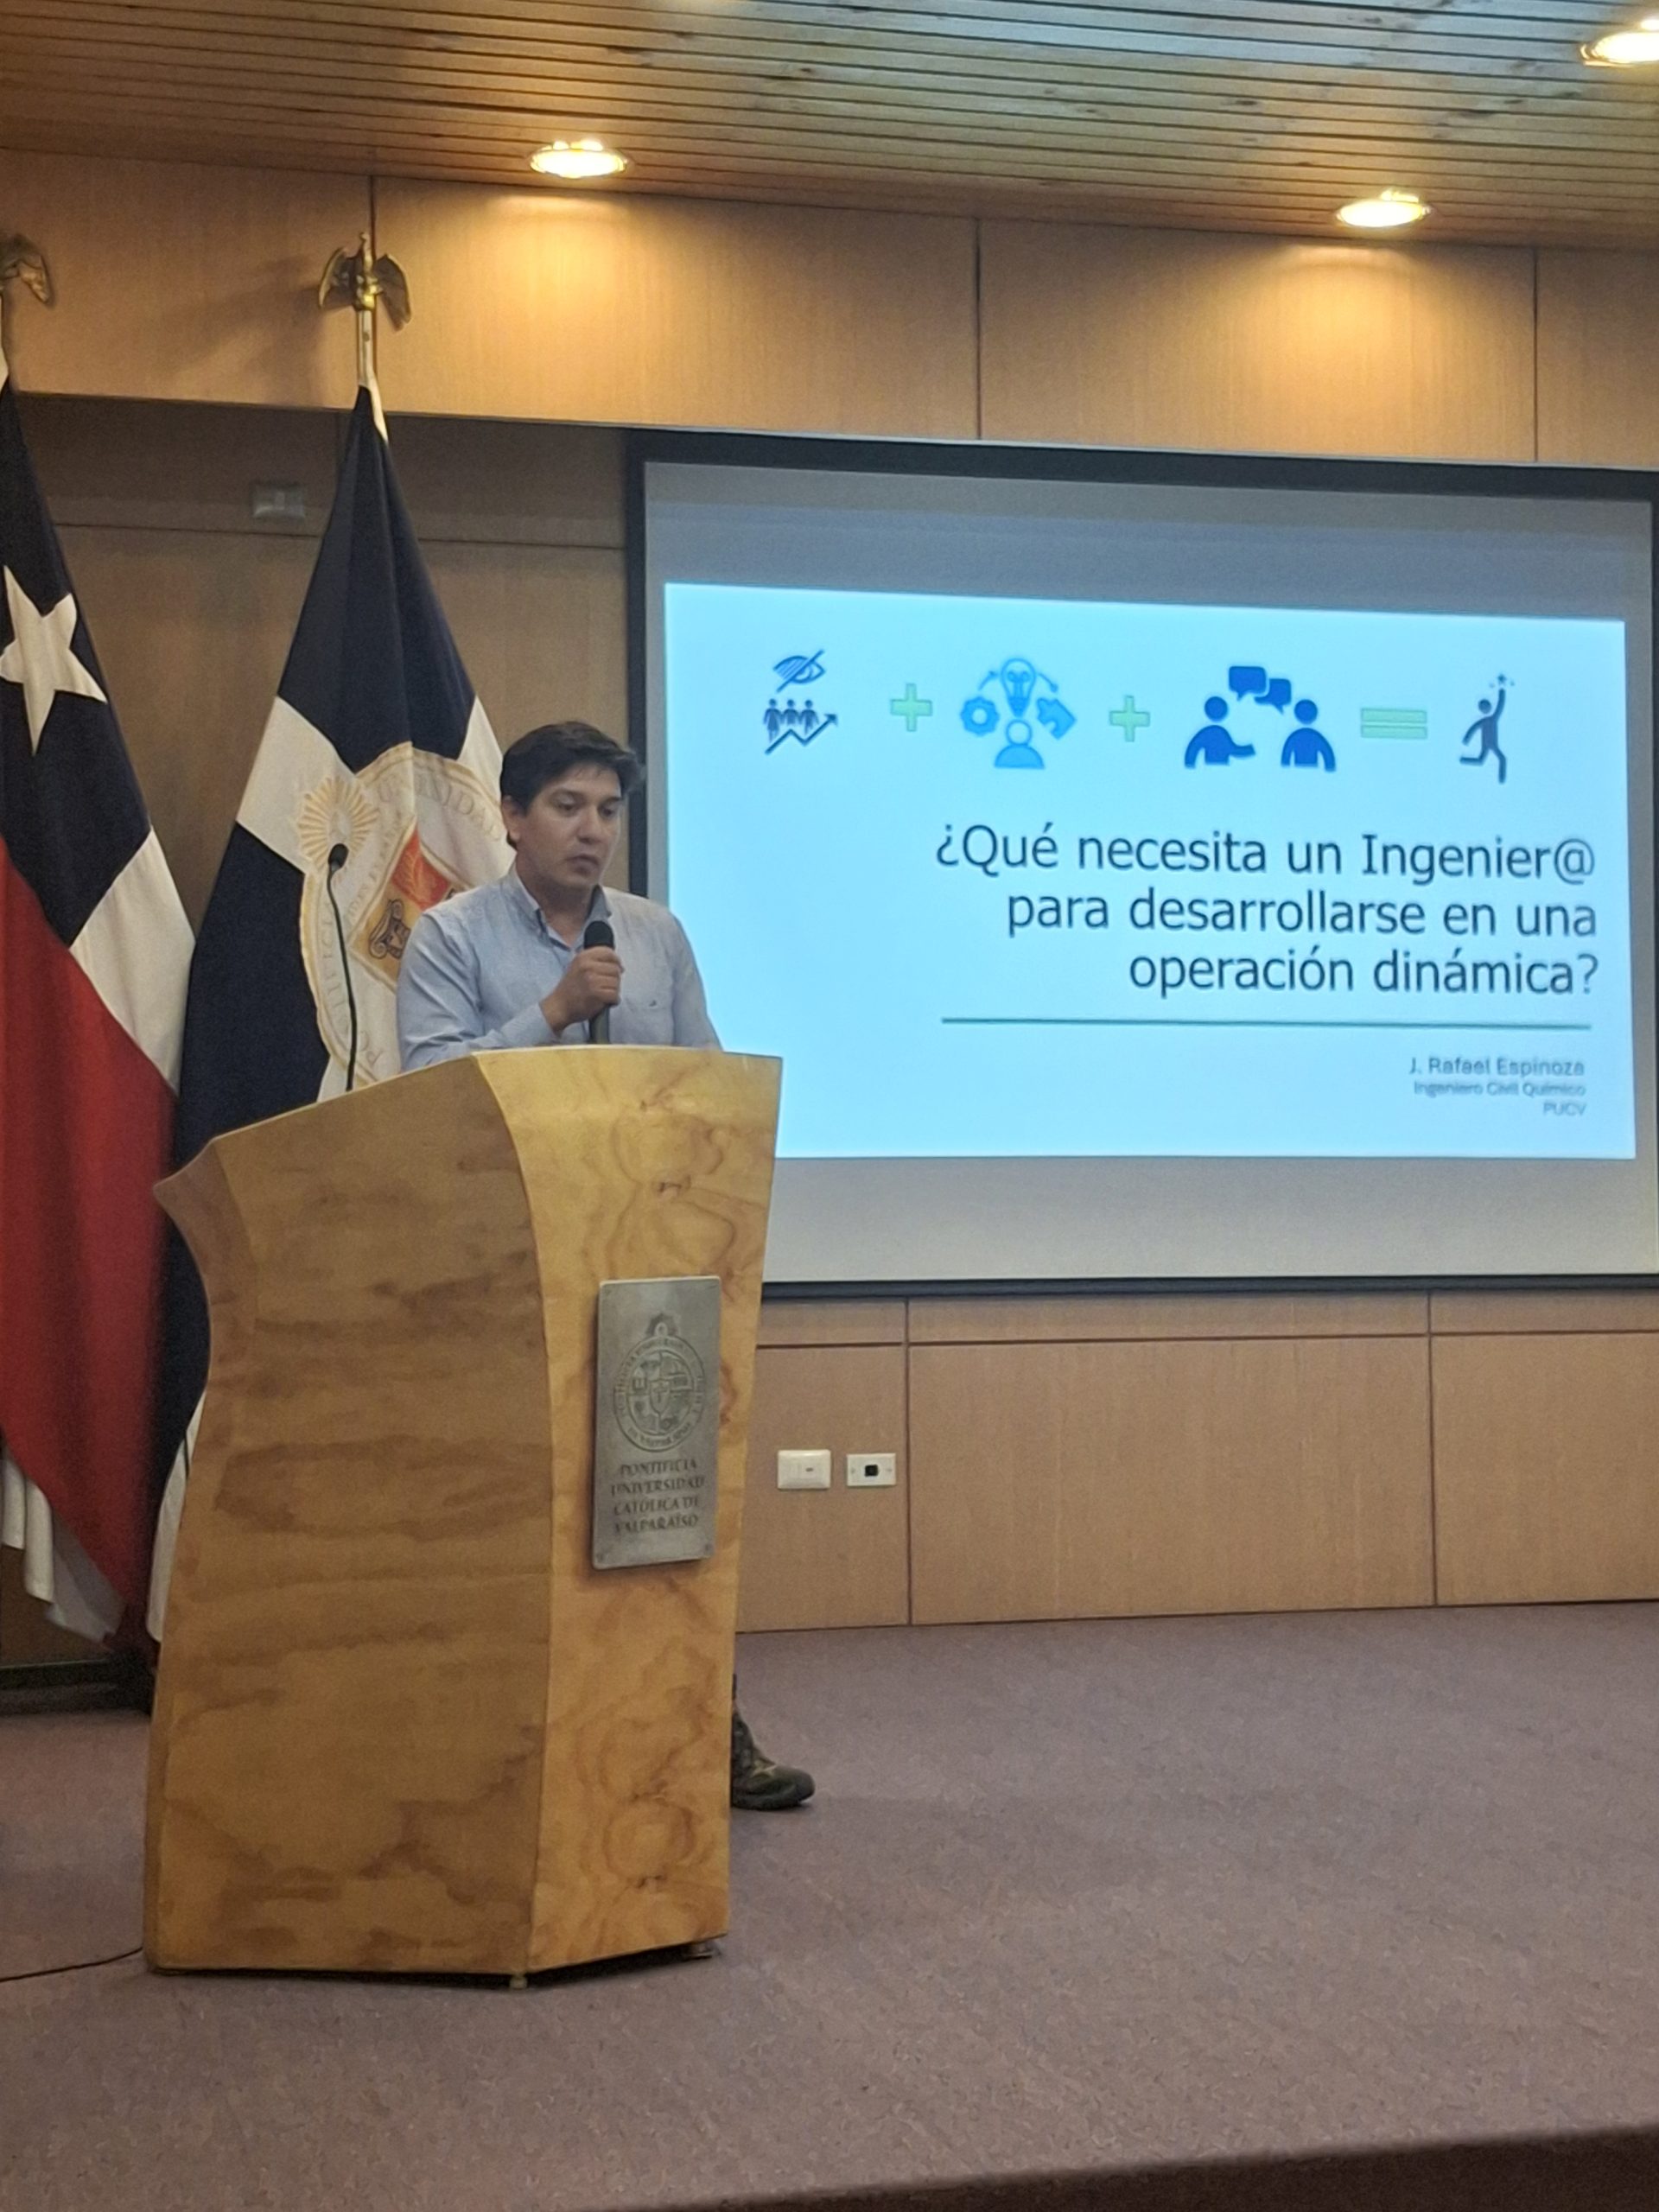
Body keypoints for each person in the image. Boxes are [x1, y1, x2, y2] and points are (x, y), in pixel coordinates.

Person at [397, 720, 815, 1813]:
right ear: (512, 817)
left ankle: (704, 1734)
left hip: (648, 1265)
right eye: (569, 807)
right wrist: (552, 1014)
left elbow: (705, 1082)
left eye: (609, 810)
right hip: (509, 1266)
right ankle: (527, 1752)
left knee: (668, 1509)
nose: (593, 830)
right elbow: (428, 1093)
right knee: (526, 1514)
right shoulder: (450, 936)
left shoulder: (656, 935)